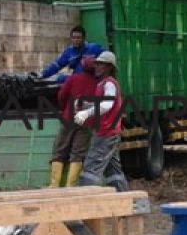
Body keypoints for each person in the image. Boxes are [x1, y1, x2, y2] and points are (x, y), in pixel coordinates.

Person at [73, 51, 129, 192]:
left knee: (91, 168)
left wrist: (86, 112)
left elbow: (106, 105)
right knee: (113, 171)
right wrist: (84, 105)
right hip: (108, 131)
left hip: (106, 132)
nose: (97, 66)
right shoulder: (103, 84)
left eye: (101, 64)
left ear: (109, 67)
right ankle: (126, 200)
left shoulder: (109, 83)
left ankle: (85, 202)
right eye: (96, 64)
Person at [48, 55, 98, 187]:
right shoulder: (98, 83)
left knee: (59, 150)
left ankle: (54, 185)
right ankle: (71, 186)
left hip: (69, 118)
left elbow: (61, 96)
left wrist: (64, 108)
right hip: (86, 121)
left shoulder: (73, 79)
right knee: (78, 153)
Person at [35, 26, 104, 82]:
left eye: (78, 38)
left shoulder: (94, 48)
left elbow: (108, 60)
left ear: (84, 38)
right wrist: (41, 74)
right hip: (77, 80)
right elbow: (57, 65)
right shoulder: (69, 52)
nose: (76, 40)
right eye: (73, 38)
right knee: (60, 78)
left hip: (93, 80)